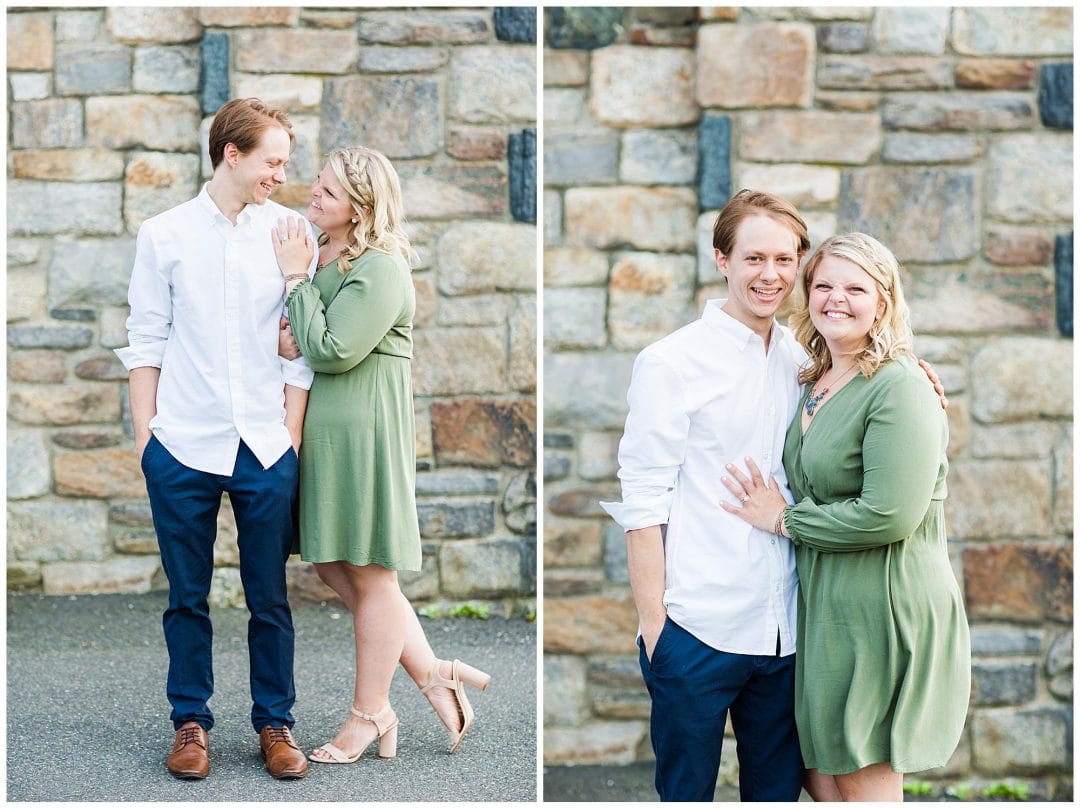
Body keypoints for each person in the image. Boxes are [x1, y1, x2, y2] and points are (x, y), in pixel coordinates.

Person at [719, 232, 970, 802]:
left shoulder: (900, 385)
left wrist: (785, 520)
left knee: (863, 781)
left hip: (884, 607)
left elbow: (888, 515)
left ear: (883, 300)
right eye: (823, 284)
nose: (836, 298)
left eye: (855, 288)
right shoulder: (813, 375)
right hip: (828, 607)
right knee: (824, 779)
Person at [271, 146, 490, 765]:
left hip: (363, 428)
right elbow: (297, 338)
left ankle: (370, 713)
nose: (312, 196)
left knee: (372, 573)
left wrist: (294, 283)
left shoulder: (381, 266)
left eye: (327, 192)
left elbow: (331, 347)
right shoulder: (326, 254)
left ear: (361, 208)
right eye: (316, 184)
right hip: (327, 427)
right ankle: (431, 673)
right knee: (335, 566)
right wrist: (301, 307)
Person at [116, 97, 314, 780]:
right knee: (186, 596)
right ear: (232, 154)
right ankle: (190, 724)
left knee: (270, 596)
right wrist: (148, 438)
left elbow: (299, 348)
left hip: (264, 446)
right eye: (272, 161)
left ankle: (275, 725)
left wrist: (289, 433)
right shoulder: (164, 234)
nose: (281, 175)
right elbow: (145, 341)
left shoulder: (289, 232)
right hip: (183, 446)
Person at [600, 190, 811, 801]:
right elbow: (643, 499)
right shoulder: (671, 363)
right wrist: (655, 628)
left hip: (785, 630)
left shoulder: (802, 361)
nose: (769, 275)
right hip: (696, 629)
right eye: (753, 258)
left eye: (782, 259)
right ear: (722, 259)